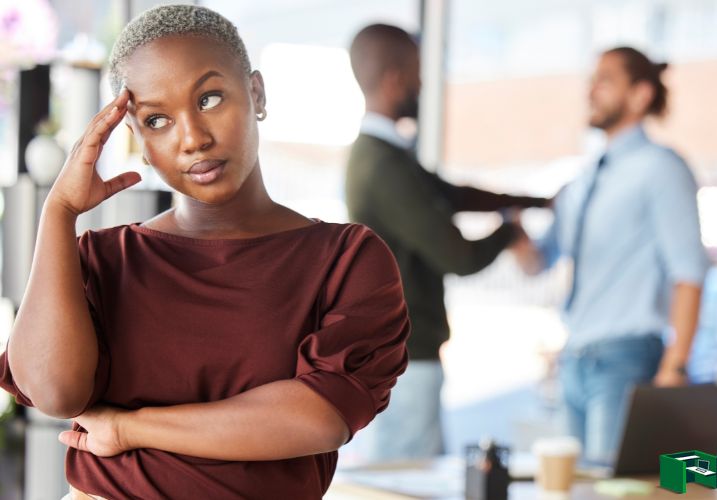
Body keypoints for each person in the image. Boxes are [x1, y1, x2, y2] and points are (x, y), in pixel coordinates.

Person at [0, 5, 409, 499]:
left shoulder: (346, 259)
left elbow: (319, 417)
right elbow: (55, 394)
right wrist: (59, 212)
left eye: (210, 98)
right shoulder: (103, 260)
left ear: (256, 93)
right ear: (137, 140)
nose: (193, 138)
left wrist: (129, 430)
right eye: (157, 119)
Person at [345, 24, 550, 461]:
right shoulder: (383, 167)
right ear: (395, 78)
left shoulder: (386, 157)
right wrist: (510, 231)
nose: (422, 85)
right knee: (409, 482)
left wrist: (537, 200)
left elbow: (452, 194)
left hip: (406, 355)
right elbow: (459, 256)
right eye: (418, 74)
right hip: (406, 358)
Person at [513, 47, 710, 466]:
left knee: (616, 490)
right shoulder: (583, 179)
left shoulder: (661, 168)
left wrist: (675, 368)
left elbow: (689, 272)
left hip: (627, 358)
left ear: (640, 95)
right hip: (575, 360)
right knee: (574, 491)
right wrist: (508, 232)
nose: (591, 89)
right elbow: (539, 263)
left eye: (606, 79)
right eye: (592, 79)